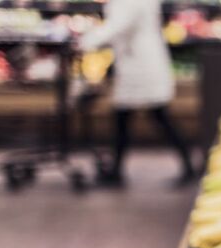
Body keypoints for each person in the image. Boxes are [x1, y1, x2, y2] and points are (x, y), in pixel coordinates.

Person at [79, 0, 195, 186]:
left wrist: (85, 41)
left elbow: (118, 26)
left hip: (142, 66)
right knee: (125, 117)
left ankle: (188, 165)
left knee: (156, 117)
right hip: (137, 64)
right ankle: (117, 170)